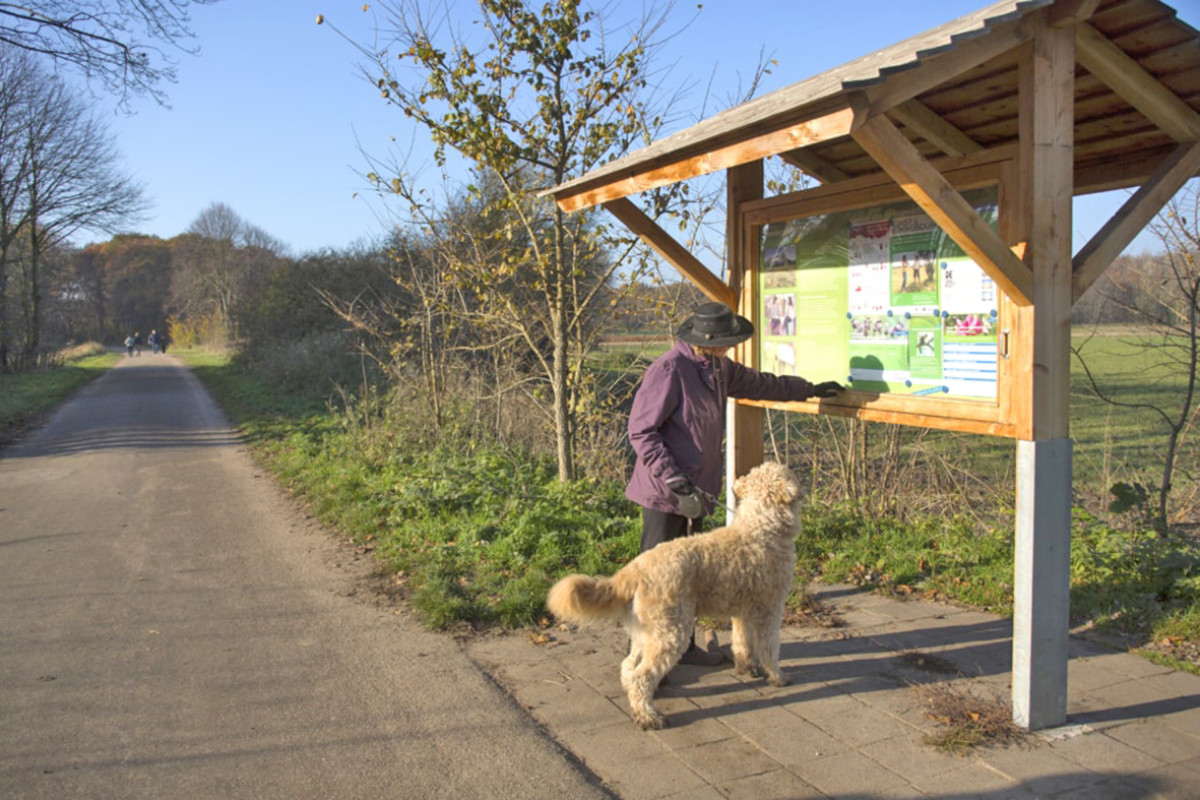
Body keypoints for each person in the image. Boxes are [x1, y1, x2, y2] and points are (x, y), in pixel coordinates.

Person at [624, 302, 843, 665]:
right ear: (705, 340)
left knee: (690, 578)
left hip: (697, 488)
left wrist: (809, 389)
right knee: (657, 581)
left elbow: (761, 383)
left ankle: (684, 647)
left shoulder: (718, 369)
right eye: (726, 341)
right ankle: (644, 659)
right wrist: (675, 481)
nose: (730, 347)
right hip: (665, 491)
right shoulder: (669, 370)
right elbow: (642, 431)